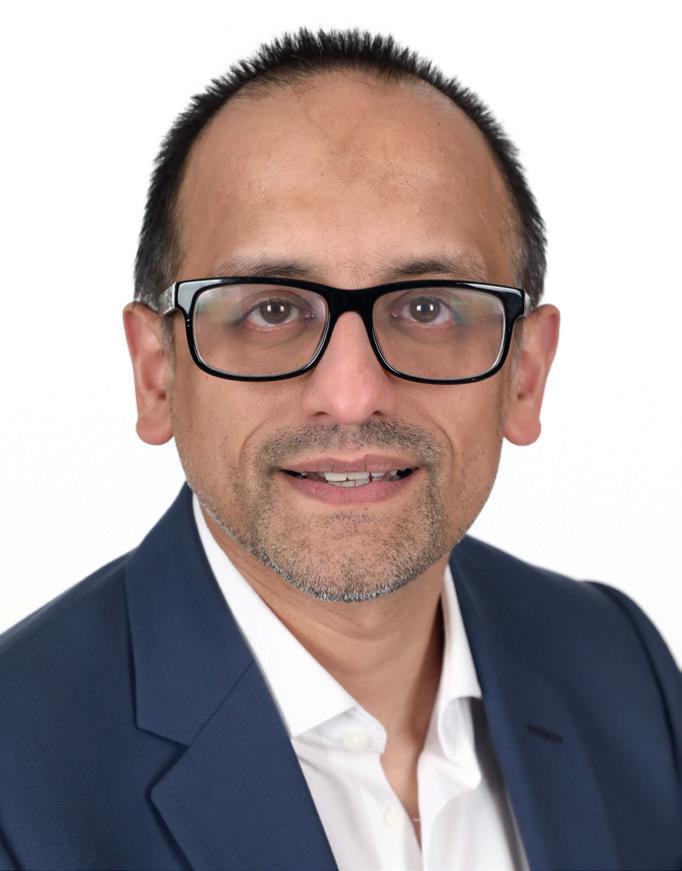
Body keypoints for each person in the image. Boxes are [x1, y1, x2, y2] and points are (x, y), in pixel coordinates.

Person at [0, 26, 680, 871]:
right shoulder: (16, 780)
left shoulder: (623, 668)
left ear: (526, 374)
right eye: (271, 310)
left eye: (428, 307)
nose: (353, 394)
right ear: (156, 374)